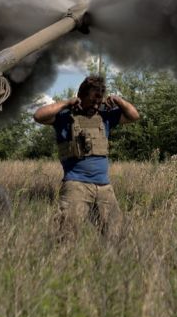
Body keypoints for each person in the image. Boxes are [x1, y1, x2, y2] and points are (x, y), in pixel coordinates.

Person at [33, 75, 140, 234]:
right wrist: (67, 103)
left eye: (99, 102)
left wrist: (117, 100)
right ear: (80, 97)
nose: (95, 106)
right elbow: (38, 116)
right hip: (76, 185)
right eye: (92, 101)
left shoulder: (105, 117)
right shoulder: (65, 117)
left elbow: (134, 115)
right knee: (66, 235)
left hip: (104, 187)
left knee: (116, 235)